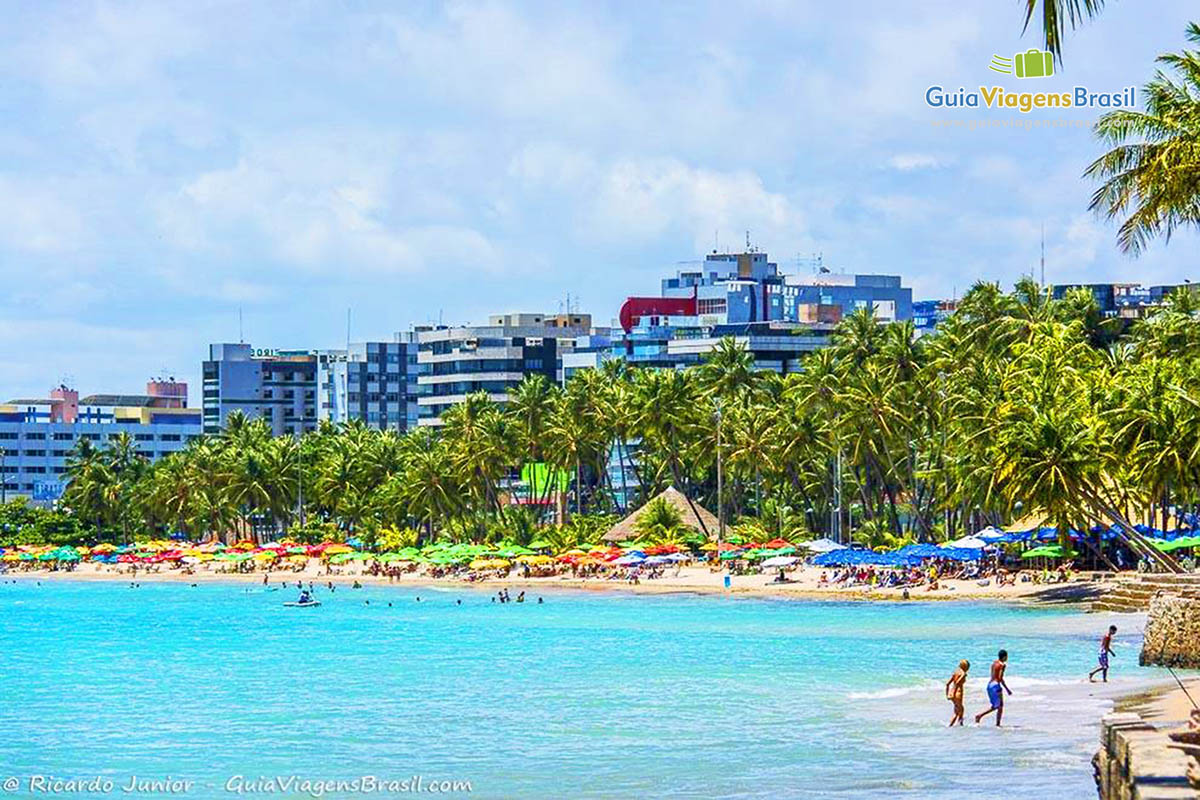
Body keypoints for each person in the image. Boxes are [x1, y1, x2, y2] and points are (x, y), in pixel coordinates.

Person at [975, 650, 1012, 726]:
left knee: (995, 706)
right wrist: (1007, 689)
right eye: (1007, 656)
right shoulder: (1002, 665)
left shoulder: (994, 663)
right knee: (1000, 706)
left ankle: (980, 716)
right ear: (1004, 657)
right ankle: (997, 724)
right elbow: (1000, 678)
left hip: (989, 685)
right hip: (996, 686)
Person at [945, 660, 970, 726]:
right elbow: (957, 683)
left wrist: (947, 694)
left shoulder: (955, 672)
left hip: (952, 693)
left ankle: (960, 724)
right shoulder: (963, 674)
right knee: (958, 712)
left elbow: (947, 684)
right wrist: (963, 675)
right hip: (958, 693)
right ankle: (950, 726)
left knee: (959, 710)